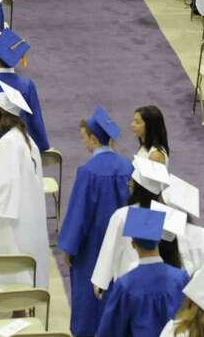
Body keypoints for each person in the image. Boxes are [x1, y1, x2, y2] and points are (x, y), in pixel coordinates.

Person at [58, 107, 133, 337]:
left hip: (93, 247)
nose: (83, 142)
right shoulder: (128, 168)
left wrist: (69, 248)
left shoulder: (88, 172)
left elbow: (79, 214)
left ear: (93, 139)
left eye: (84, 137)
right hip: (125, 245)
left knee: (90, 301)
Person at [0, 81, 50, 289]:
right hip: (25, 212)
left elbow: (6, 181)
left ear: (1, 115)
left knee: (11, 271)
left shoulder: (9, 142)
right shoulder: (25, 139)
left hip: (9, 217)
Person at [94, 207, 189, 337]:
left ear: (133, 245)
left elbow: (109, 331)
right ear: (159, 240)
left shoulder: (125, 285)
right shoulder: (180, 278)